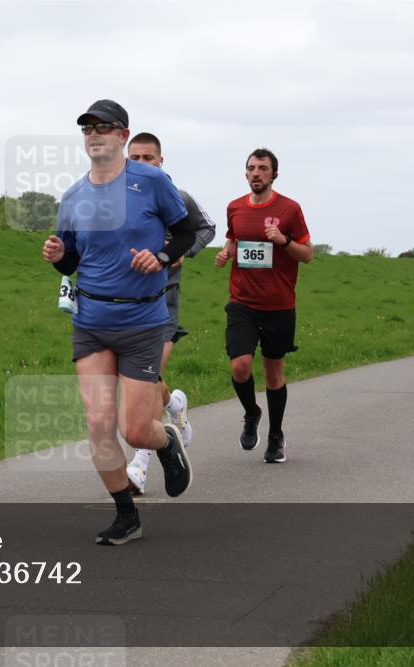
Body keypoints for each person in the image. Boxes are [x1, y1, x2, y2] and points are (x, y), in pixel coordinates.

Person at [43, 100, 198, 546]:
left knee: (134, 430)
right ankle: (126, 516)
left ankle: (166, 441)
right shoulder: (73, 197)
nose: (95, 134)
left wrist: (162, 255)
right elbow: (71, 258)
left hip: (143, 320)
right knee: (97, 423)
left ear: (123, 136)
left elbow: (185, 232)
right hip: (91, 320)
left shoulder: (150, 182)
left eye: (104, 127)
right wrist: (59, 258)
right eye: (88, 128)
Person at [124, 132, 216, 495]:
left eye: (149, 157)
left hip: (164, 303)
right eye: (136, 157)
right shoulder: (117, 200)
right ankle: (175, 405)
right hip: (128, 306)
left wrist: (183, 251)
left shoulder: (177, 197)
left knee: (144, 382)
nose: (142, 163)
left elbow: (207, 229)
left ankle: (139, 466)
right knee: (147, 380)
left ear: (161, 162)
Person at [214, 148, 312, 464]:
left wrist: (282, 240)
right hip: (242, 301)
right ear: (246, 173)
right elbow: (233, 237)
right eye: (251, 168)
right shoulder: (235, 207)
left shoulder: (290, 209)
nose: (256, 173)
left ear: (274, 174)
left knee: (273, 374)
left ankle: (275, 436)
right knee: (239, 366)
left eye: (263, 168)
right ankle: (251, 412)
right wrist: (226, 252)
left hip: (279, 305)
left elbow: (307, 254)